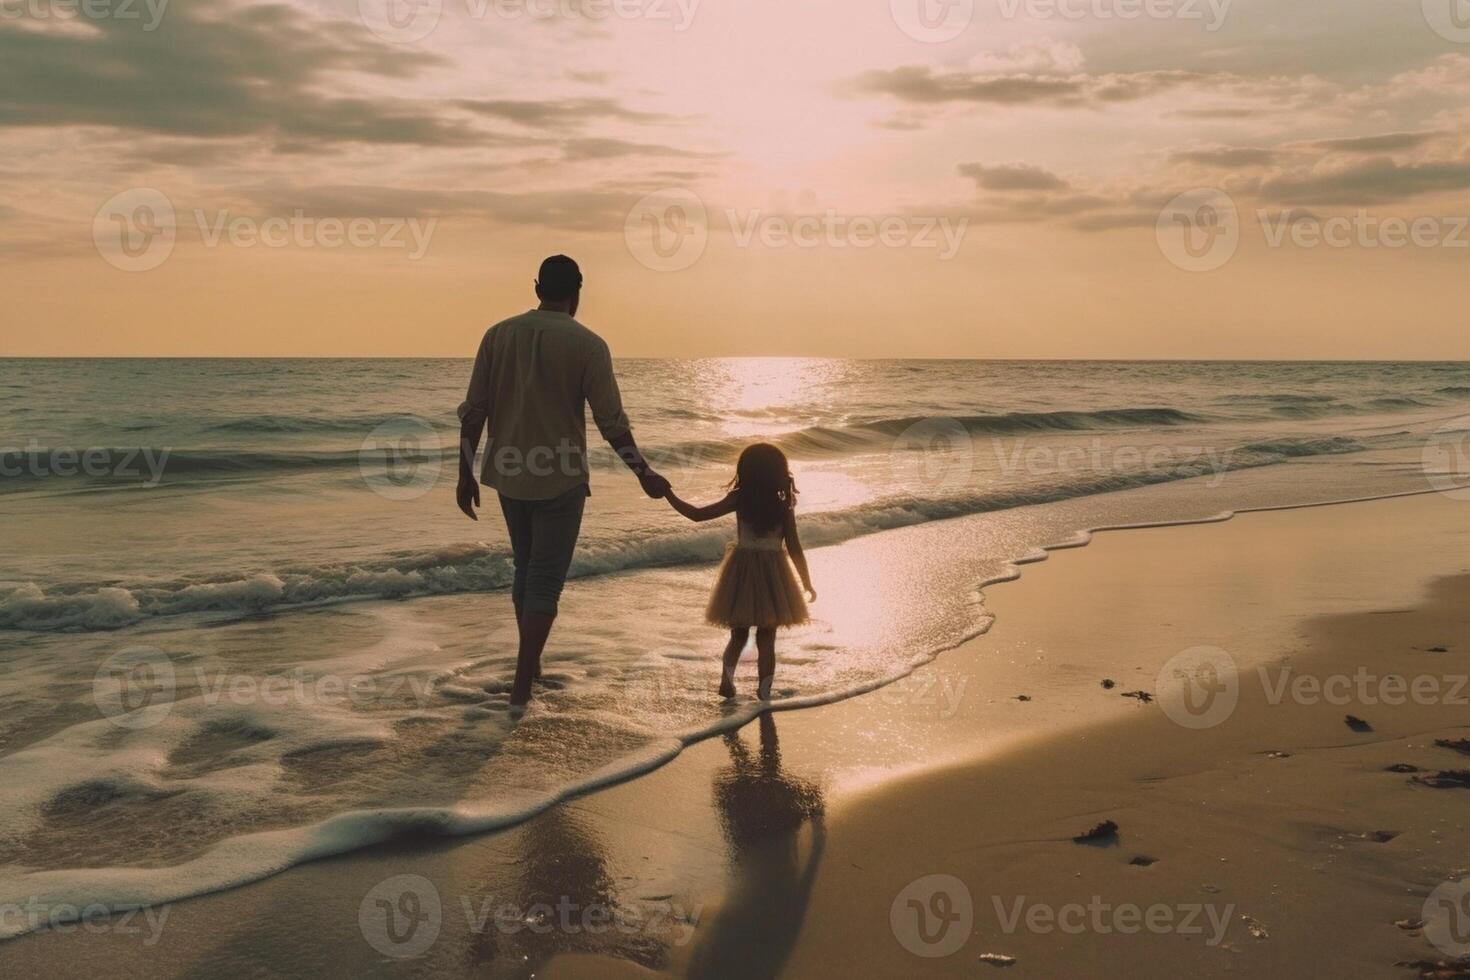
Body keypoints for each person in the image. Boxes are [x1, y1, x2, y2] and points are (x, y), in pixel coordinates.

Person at [456, 255, 669, 707]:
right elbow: (611, 423)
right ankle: (522, 682)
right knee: (546, 579)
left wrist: (465, 472)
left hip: (508, 473)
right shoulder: (588, 344)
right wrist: (643, 473)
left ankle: (529, 667)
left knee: (526, 568)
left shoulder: (498, 335)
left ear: (536, 287)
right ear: (578, 290)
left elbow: (475, 410)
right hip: (561, 476)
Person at [664, 443, 816, 700]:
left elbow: (698, 515)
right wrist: (806, 582)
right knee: (767, 638)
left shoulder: (740, 498)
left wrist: (669, 494)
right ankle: (764, 690)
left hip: (742, 571)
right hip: (774, 575)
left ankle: (727, 680)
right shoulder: (783, 504)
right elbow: (794, 546)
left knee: (738, 635)